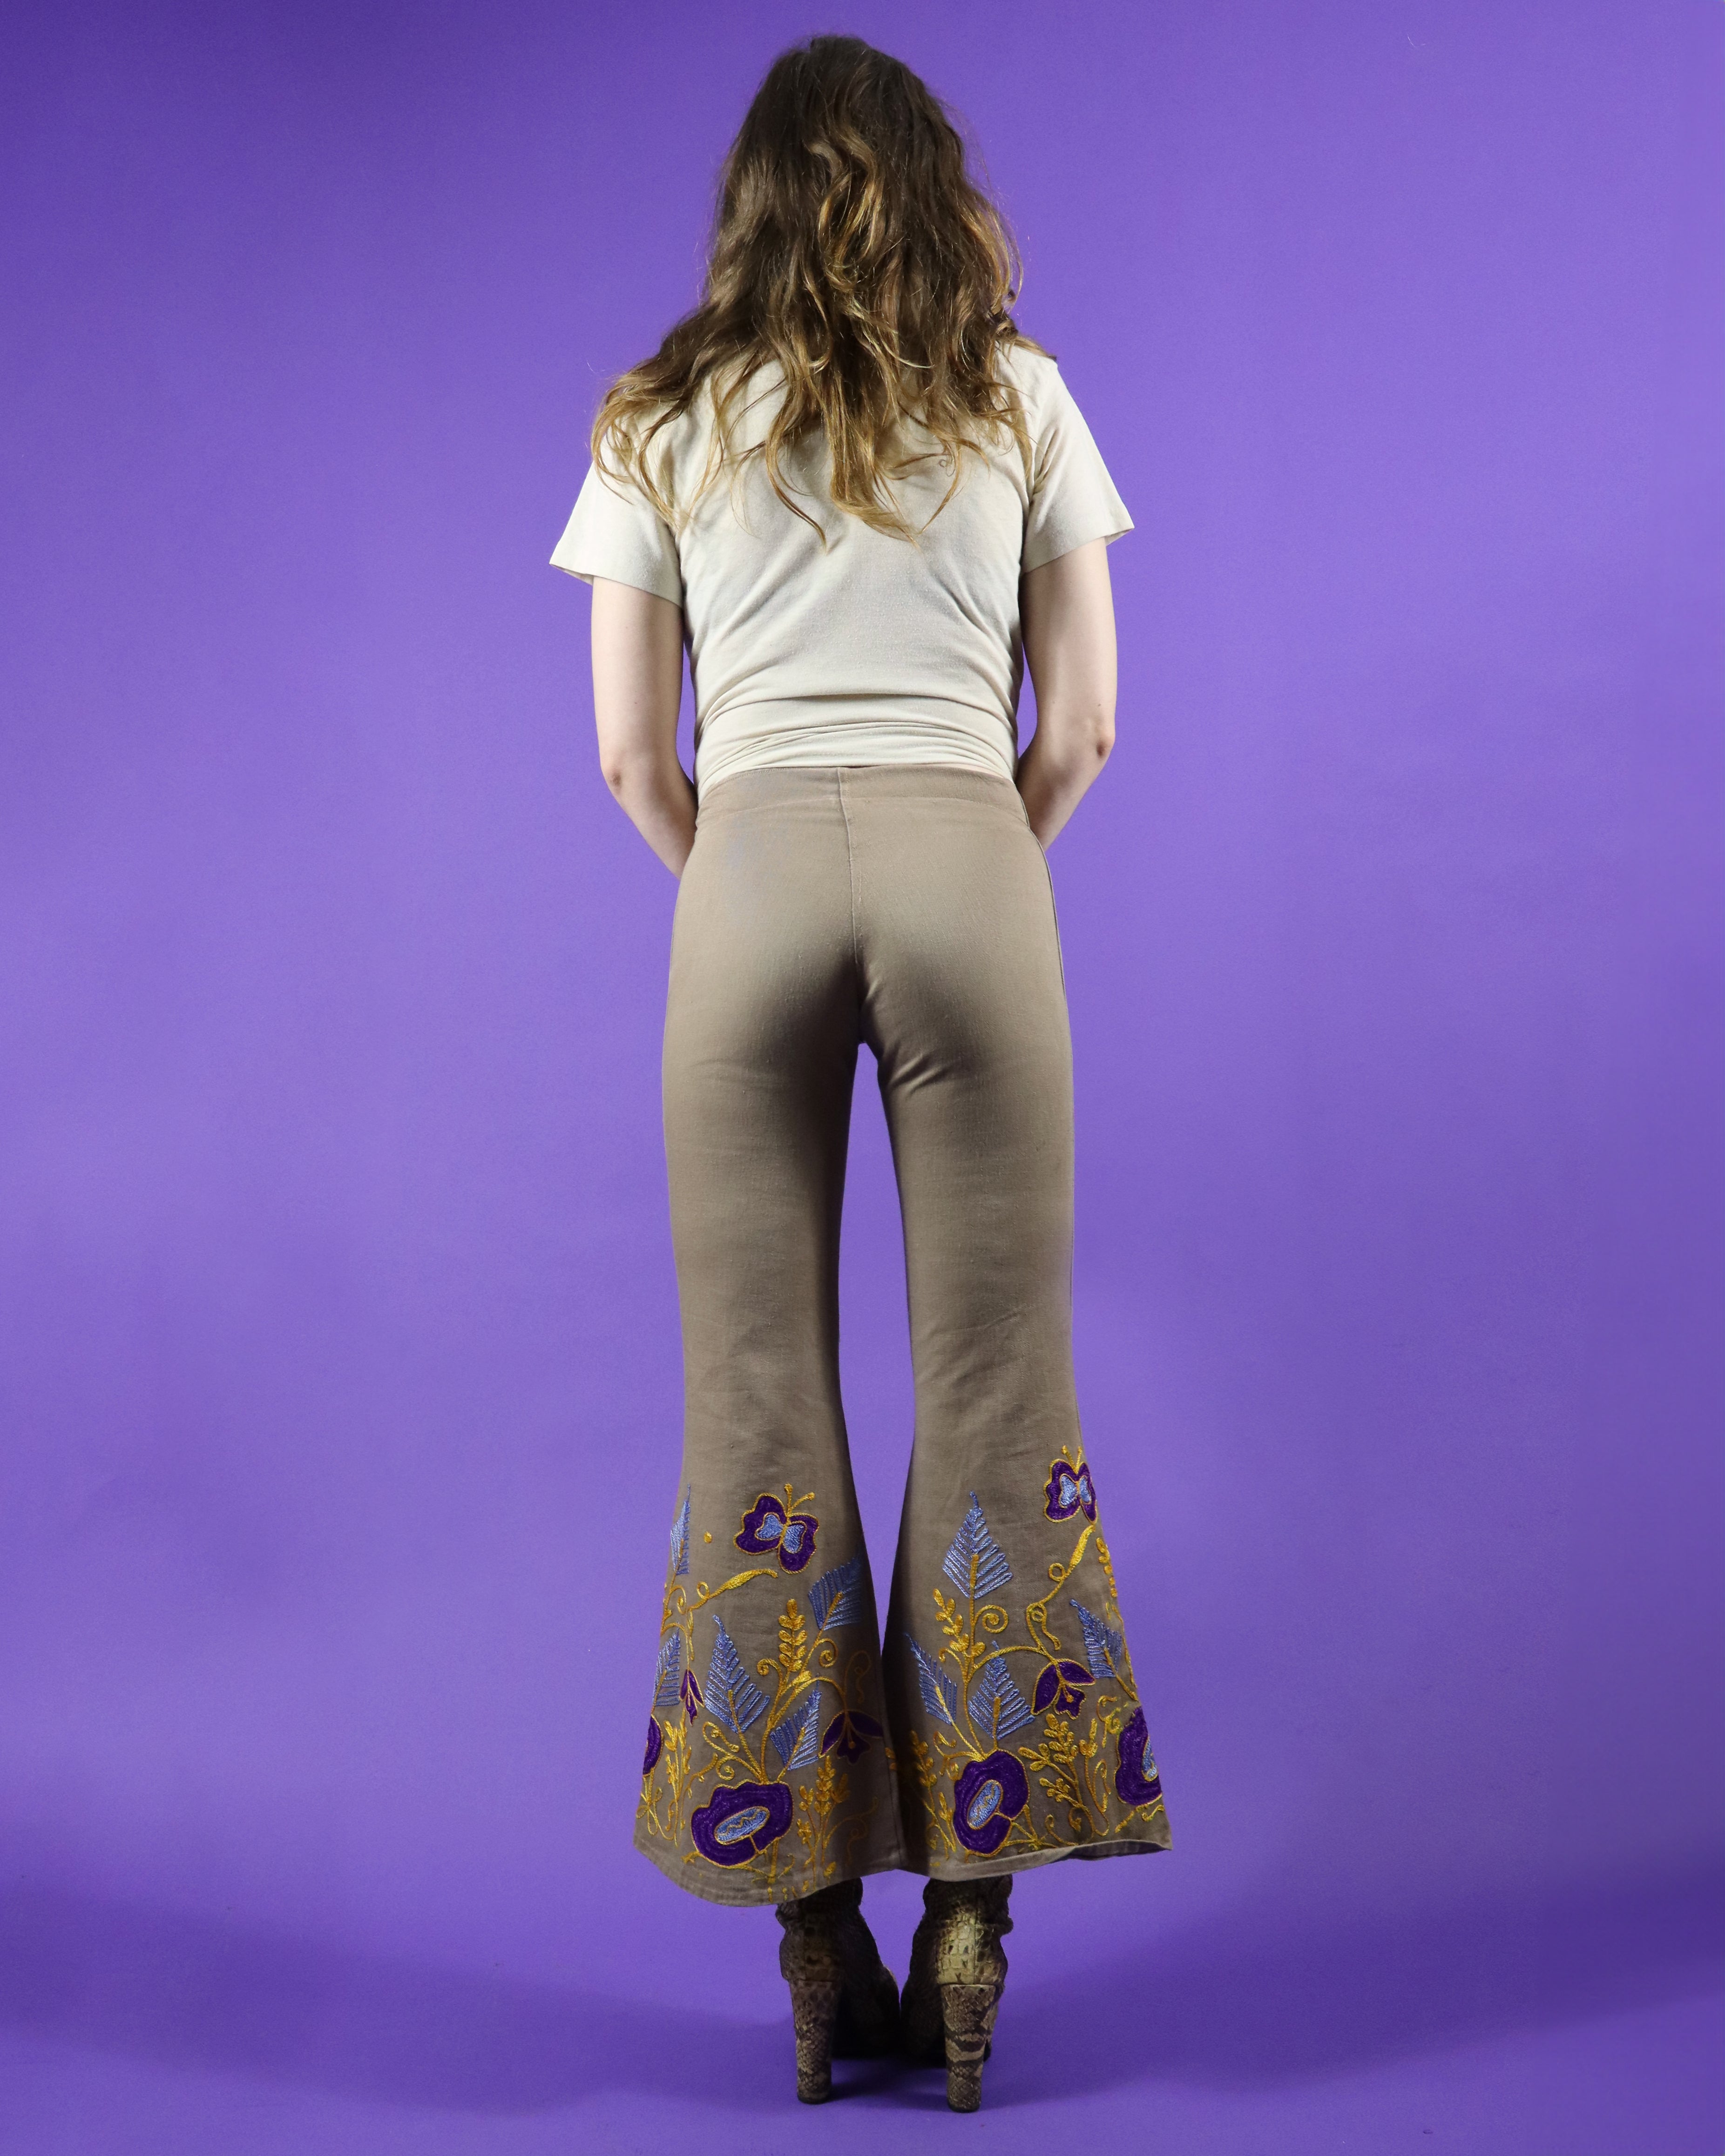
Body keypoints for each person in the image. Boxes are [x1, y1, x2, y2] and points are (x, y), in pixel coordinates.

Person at [550, 34, 1170, 2113]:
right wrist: (970, 865)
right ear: (937, 190)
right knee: (999, 1384)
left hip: (742, 884)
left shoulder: (655, 422)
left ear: (743, 208)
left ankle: (811, 1931)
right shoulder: (1021, 398)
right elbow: (1083, 725)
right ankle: (972, 1920)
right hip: (968, 859)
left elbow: (630, 756)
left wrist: (748, 889)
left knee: (754, 1398)